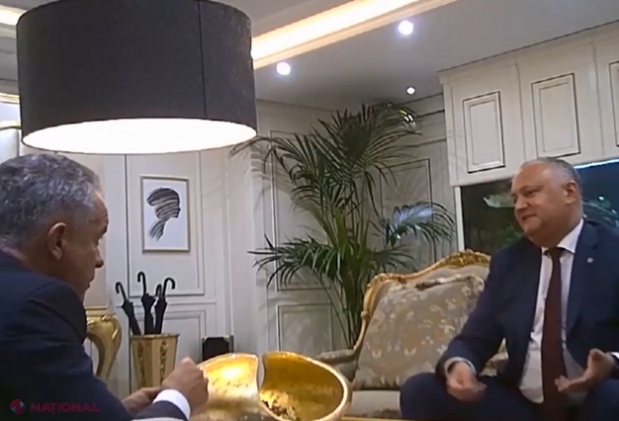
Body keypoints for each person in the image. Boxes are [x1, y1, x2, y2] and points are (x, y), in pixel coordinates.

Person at [399, 157, 619, 421]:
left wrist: (612, 362)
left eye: (530, 193)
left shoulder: (612, 251)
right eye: (515, 198)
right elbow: (475, 338)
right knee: (420, 390)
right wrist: (461, 365)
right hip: (522, 407)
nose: (519, 206)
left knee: (611, 395)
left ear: (569, 193)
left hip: (596, 400)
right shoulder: (509, 262)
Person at [0, 154, 209, 420]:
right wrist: (178, 397)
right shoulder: (33, 309)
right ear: (57, 241)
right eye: (96, 240)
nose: (99, 260)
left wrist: (116, 410)